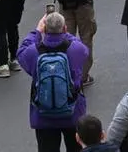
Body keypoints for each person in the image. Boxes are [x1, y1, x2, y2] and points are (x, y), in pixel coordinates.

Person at [17, 12, 90, 152]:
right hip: (73, 112)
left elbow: (20, 53)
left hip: (43, 114)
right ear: (64, 29)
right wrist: (66, 34)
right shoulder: (76, 49)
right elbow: (84, 49)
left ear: (45, 29)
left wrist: (37, 32)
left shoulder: (34, 51)